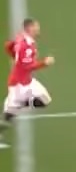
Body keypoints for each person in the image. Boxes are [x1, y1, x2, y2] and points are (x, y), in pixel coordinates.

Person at [2, 19, 53, 149]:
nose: (38, 29)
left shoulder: (22, 39)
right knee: (9, 115)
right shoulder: (26, 46)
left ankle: (19, 104)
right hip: (19, 84)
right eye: (36, 27)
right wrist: (44, 63)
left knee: (45, 100)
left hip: (26, 81)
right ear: (30, 28)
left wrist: (15, 57)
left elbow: (7, 46)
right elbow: (27, 67)